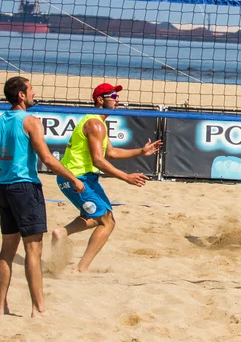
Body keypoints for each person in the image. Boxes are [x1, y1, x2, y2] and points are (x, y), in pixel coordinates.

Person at [0, 76, 84, 317]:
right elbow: (48, 159)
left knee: (7, 250)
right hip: (25, 188)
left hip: (4, 188)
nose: (34, 93)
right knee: (33, 249)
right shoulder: (30, 121)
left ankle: (0, 307)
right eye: (30, 89)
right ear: (21, 94)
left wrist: (2, 185)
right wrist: (73, 179)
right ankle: (38, 309)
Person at [51, 83, 162, 272]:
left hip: (79, 177)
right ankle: (81, 268)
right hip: (77, 178)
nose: (118, 100)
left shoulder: (97, 122)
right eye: (113, 96)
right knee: (108, 222)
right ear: (100, 100)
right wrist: (125, 177)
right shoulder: (95, 124)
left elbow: (110, 153)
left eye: (117, 96)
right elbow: (99, 161)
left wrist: (141, 152)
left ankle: (62, 233)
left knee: (98, 216)